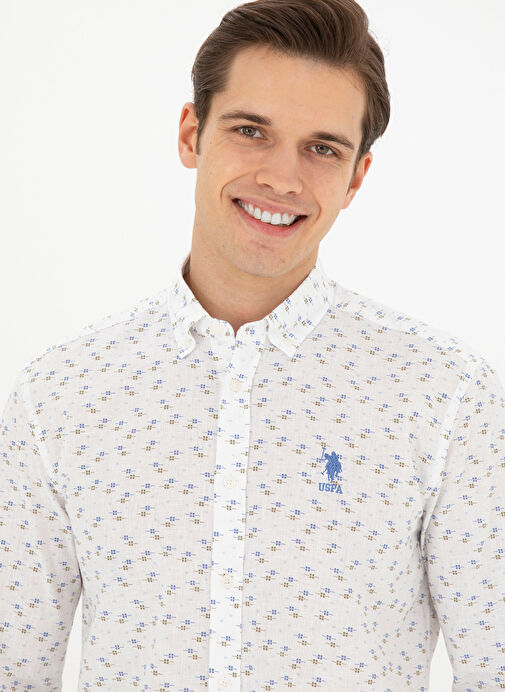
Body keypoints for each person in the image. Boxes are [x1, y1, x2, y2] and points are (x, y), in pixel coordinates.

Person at [1, 0, 503, 689]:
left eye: (322, 148)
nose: (282, 179)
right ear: (191, 134)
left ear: (356, 177)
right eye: (250, 131)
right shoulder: (59, 395)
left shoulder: (446, 396)